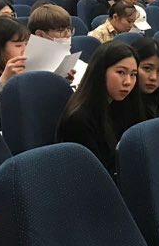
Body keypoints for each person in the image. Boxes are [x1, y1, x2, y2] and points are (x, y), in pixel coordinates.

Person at [57, 41, 143, 176]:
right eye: (121, 72)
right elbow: (92, 174)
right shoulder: (79, 119)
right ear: (100, 72)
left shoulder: (121, 104)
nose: (128, 82)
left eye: (133, 74)